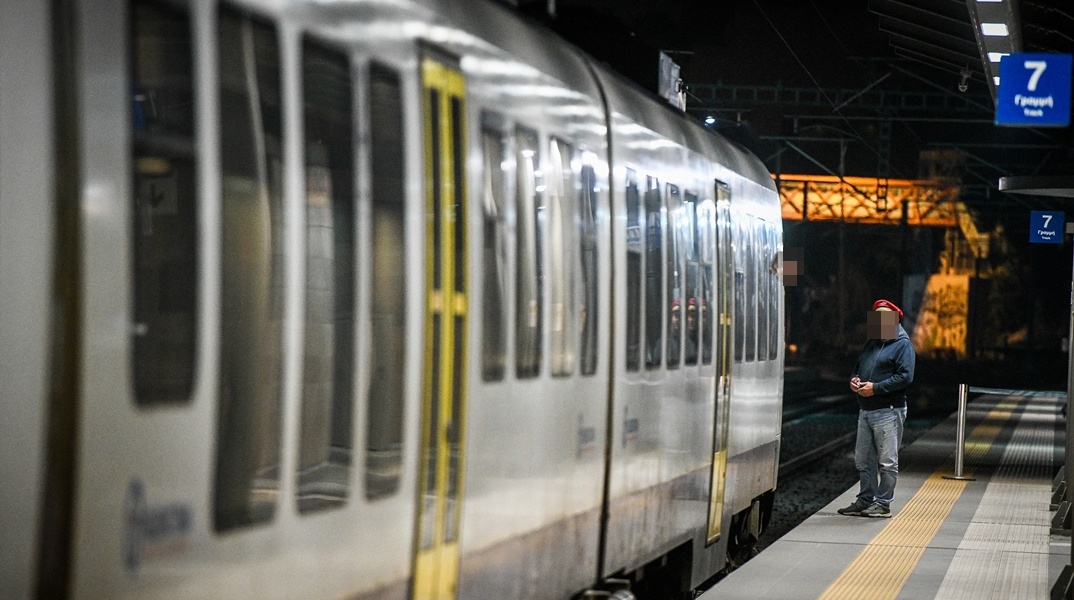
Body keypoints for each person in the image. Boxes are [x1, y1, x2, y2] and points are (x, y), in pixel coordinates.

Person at [837, 298, 916, 518]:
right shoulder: (871, 343)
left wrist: (876, 388)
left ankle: (883, 504)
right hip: (866, 411)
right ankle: (864, 500)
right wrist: (855, 381)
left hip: (888, 410)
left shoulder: (903, 345)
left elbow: (905, 377)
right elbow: (857, 369)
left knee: (887, 461)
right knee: (863, 459)